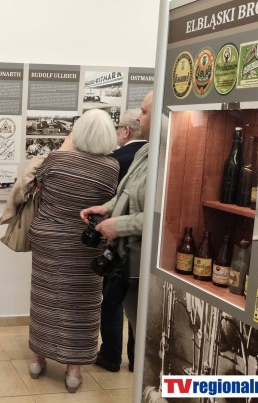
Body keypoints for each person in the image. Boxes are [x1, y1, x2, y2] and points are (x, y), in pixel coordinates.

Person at [28, 109, 119, 393]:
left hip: (48, 240)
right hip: (85, 243)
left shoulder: (56, 159)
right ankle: (73, 371)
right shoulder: (111, 167)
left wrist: (65, 147)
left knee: (44, 298)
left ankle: (38, 360)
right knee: (82, 304)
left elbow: (39, 183)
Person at [80, 91, 154, 373]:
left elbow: (162, 216)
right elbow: (127, 191)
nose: (139, 117)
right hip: (126, 256)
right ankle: (135, 367)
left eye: (144, 112)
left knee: (143, 328)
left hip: (142, 258)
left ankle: (138, 370)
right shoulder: (146, 152)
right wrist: (106, 207)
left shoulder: (171, 155)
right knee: (129, 313)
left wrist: (117, 225)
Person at [96, 107, 146, 373]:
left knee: (113, 300)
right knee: (139, 305)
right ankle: (137, 361)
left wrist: (114, 220)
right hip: (142, 249)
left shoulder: (114, 159)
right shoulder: (146, 154)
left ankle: (111, 355)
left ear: (125, 131)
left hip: (123, 242)